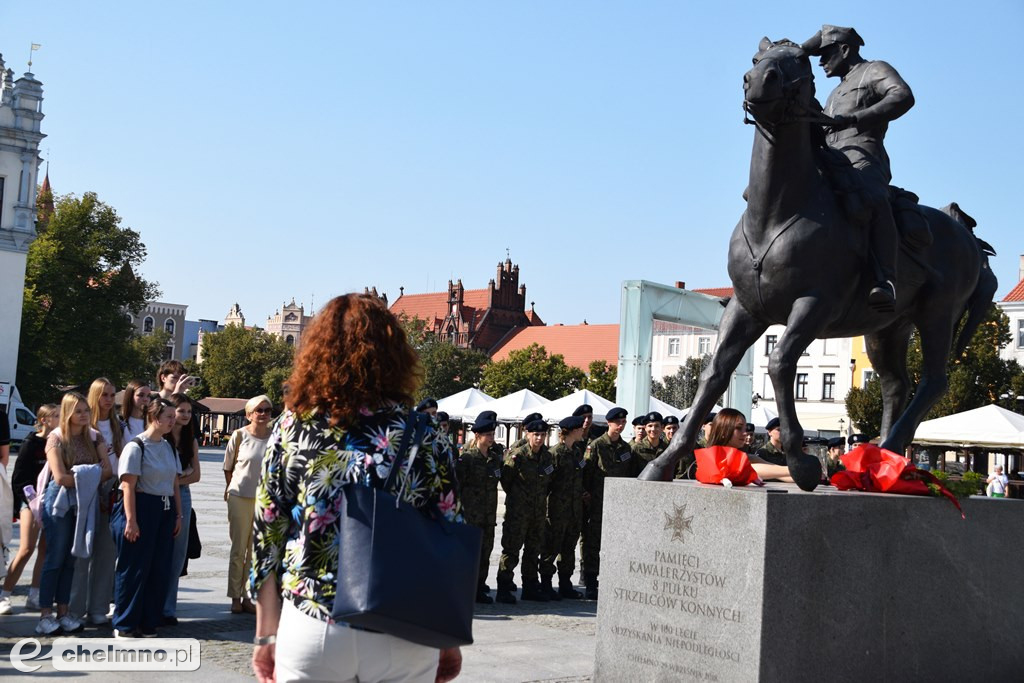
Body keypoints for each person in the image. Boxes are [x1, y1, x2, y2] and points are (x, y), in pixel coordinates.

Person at [250, 293, 463, 683]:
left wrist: (266, 631)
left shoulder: (292, 428)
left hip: (314, 618)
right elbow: (447, 530)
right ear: (395, 355)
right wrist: (447, 635)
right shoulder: (426, 434)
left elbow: (268, 529)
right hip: (405, 621)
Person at [802, 25, 914, 311]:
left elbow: (902, 95)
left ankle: (886, 278)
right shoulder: (835, 91)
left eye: (826, 54)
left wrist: (855, 118)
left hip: (863, 153)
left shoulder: (874, 69)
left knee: (873, 198)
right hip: (830, 156)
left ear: (844, 49)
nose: (821, 61)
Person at [38, 392, 112, 635]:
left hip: (84, 502)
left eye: (86, 411)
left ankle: (64, 611)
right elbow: (59, 477)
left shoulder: (95, 436)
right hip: (59, 502)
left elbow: (107, 470)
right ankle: (45, 614)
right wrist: (89, 475)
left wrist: (80, 476)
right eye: (78, 411)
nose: (83, 415)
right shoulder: (56, 438)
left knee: (72, 558)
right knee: (55, 557)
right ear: (68, 412)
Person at [110, 398, 182, 638]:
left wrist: (178, 514)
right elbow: (127, 486)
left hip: (165, 508)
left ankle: (149, 621)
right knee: (134, 568)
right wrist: (131, 520)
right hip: (142, 507)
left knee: (159, 567)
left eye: (174, 416)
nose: (174, 421)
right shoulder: (136, 447)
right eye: (169, 416)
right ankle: (126, 623)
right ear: (154, 418)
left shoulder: (169, 446)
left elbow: (174, 483)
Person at [69, 378, 123, 626]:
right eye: (104, 395)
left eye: (112, 395)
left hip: (112, 489)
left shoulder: (116, 425)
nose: (109, 400)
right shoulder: (85, 425)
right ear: (94, 396)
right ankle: (75, 608)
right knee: (83, 551)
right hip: (89, 488)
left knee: (106, 551)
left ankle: (98, 607)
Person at [0, 404, 57, 614]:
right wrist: (30, 502)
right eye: (56, 415)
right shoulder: (30, 443)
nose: (61, 418)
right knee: (26, 549)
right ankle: (5, 595)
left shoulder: (58, 442)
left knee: (45, 549)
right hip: (30, 502)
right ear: (44, 420)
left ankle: (34, 595)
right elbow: (18, 478)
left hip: (51, 501)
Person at [223, 394, 273, 615]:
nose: (263, 414)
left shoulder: (275, 437)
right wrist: (231, 488)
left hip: (264, 500)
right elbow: (228, 467)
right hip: (240, 496)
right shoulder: (239, 435)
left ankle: (247, 596)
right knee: (238, 549)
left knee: (256, 551)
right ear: (249, 414)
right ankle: (235, 596)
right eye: (258, 410)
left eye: (267, 410)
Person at [496, 419, 553, 604]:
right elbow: (506, 481)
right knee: (511, 550)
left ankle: (530, 587)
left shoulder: (547, 457)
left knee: (533, 551)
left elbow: (549, 482)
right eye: (536, 434)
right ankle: (503, 588)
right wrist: (518, 498)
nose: (539, 438)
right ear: (528, 434)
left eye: (543, 435)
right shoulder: (518, 456)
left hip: (538, 513)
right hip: (518, 512)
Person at [581, 407, 631, 600]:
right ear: (609, 423)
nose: (620, 425)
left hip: (617, 506)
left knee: (614, 544)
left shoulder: (625, 449)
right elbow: (586, 472)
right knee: (593, 543)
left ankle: (611, 579)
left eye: (623, 422)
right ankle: (591, 582)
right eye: (617, 422)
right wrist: (586, 494)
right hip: (597, 503)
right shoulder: (596, 446)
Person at [455, 413, 504, 604]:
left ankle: (478, 588)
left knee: (485, 554)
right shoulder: (467, 459)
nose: (491, 437)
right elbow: (458, 486)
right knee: (468, 554)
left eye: (492, 433)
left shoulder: (493, 459)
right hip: (471, 515)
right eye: (488, 434)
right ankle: (464, 589)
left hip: (489, 515)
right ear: (477, 435)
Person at [164, 393, 201, 623]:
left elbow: (196, 475)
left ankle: (169, 608)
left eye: (189, 411)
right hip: (158, 496)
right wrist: (179, 477)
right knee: (159, 550)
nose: (186, 415)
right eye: (181, 411)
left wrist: (174, 480)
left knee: (178, 553)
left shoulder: (191, 440)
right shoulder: (163, 438)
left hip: (183, 497)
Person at [540, 416, 586, 600]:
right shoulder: (555, 454)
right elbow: (546, 484)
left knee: (568, 549)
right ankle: (545, 584)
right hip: (557, 510)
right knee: (552, 548)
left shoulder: (576, 452)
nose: (583, 431)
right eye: (580, 428)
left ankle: (565, 585)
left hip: (574, 510)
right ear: (573, 430)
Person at [706, 409, 793, 482]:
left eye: (744, 428)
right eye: (739, 428)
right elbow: (748, 469)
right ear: (723, 431)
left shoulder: (746, 457)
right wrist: (796, 469)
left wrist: (802, 475)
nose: (744, 433)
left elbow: (777, 472)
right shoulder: (715, 457)